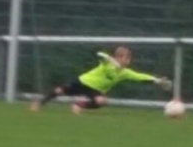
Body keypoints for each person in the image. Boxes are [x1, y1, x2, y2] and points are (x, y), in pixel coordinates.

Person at [31, 47, 172, 114]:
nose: (128, 61)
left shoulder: (124, 73)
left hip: (96, 90)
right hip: (83, 82)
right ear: (118, 57)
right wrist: (111, 60)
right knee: (59, 91)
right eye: (126, 57)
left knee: (101, 101)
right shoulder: (107, 64)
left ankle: (78, 106)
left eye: (129, 58)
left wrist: (157, 80)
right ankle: (39, 103)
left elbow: (140, 76)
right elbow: (99, 54)